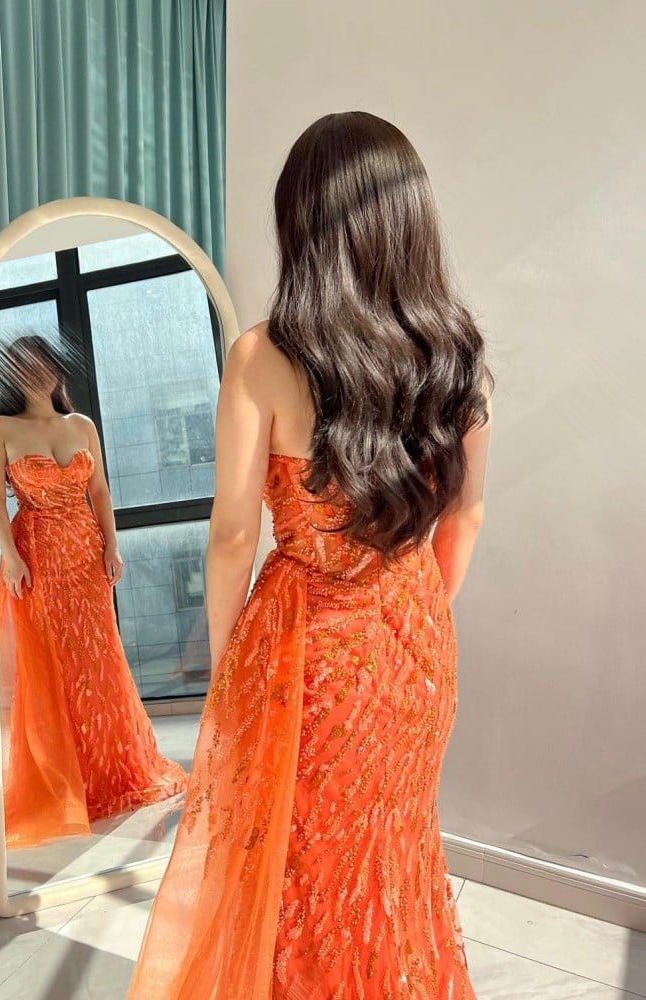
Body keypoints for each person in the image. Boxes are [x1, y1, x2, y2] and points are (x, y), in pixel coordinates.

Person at [127, 112, 492, 999]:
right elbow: (467, 517)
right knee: (392, 852)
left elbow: (232, 536)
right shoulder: (458, 356)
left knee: (298, 861)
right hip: (413, 647)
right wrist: (412, 617)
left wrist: (228, 666)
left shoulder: (263, 355)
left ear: (300, 221)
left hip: (303, 652)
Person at [0, 336, 187, 847]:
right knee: (55, 667)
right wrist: (10, 556)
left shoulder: (82, 425)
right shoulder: (0, 430)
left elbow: (99, 490)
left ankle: (116, 770)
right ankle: (68, 779)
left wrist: (112, 546)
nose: (37, 374)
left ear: (56, 370)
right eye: (25, 367)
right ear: (12, 376)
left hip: (85, 554)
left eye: (44, 364)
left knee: (100, 659)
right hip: (39, 557)